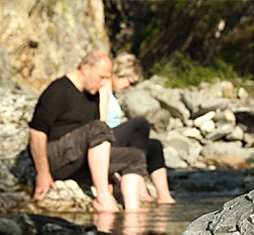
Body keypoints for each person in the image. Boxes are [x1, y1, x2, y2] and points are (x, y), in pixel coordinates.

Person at [28, 50, 148, 212]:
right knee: (98, 128)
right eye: (102, 77)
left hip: (79, 158)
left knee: (135, 157)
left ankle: (133, 215)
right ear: (85, 69)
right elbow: (37, 132)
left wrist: (104, 97)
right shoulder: (58, 90)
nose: (105, 83)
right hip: (55, 157)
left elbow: (102, 137)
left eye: (108, 78)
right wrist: (43, 172)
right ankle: (103, 198)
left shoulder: (93, 94)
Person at [99, 53, 176, 205]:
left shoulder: (113, 92)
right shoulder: (105, 87)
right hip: (104, 138)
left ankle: (164, 196)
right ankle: (139, 183)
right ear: (120, 74)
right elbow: (101, 120)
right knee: (140, 124)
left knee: (154, 146)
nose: (130, 87)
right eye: (130, 81)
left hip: (115, 137)